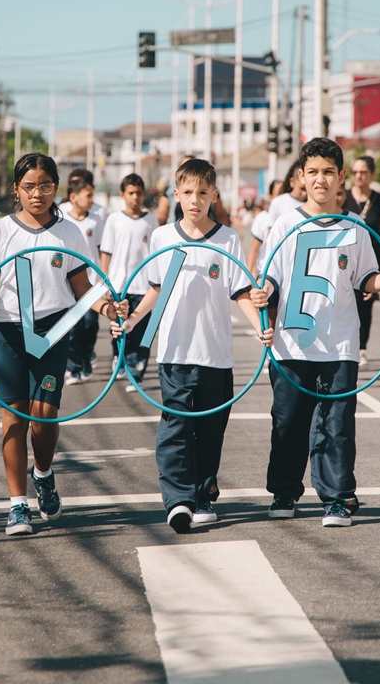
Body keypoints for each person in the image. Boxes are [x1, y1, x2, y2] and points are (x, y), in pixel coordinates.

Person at [113, 158, 272, 533]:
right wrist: (132, 321)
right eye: (187, 193)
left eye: (203, 193)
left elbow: (241, 292)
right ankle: (178, 499)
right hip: (175, 352)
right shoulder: (163, 238)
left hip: (216, 352)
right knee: (177, 424)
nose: (195, 200)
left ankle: (203, 491)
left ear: (215, 195)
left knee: (212, 428)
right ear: (176, 195)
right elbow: (155, 289)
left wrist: (261, 329)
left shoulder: (228, 238)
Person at [0, 153, 122, 537]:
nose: (38, 194)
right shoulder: (1, 232)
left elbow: (82, 288)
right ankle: (17, 505)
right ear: (16, 189)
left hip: (55, 329)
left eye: (46, 186)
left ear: (57, 188)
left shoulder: (69, 232)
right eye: (29, 186)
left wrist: (107, 307)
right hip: (9, 330)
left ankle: (43, 472)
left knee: (45, 416)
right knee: (14, 417)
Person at [259, 139, 380, 527]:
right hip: (292, 342)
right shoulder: (285, 224)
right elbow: (271, 277)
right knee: (288, 420)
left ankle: (337, 496)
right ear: (300, 178)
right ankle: (285, 490)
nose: (320, 179)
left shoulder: (356, 227)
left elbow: (365, 279)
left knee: (337, 423)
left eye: (328, 171)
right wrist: (265, 295)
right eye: (313, 172)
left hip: (340, 341)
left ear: (341, 176)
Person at [99, 173, 159, 393]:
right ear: (122, 195)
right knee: (120, 329)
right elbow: (106, 251)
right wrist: (105, 282)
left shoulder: (151, 220)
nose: (135, 197)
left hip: (144, 288)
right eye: (131, 193)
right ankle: (119, 357)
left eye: (139, 193)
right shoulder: (114, 219)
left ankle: (137, 374)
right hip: (119, 286)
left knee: (143, 333)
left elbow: (156, 253)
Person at [347, 155, 380, 366]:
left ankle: (361, 347)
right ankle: (346, 343)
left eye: (364, 172)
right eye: (355, 172)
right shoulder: (343, 197)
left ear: (372, 174)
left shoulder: (379, 200)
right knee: (346, 299)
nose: (359, 176)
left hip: (372, 256)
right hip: (348, 256)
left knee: (366, 303)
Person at [62, 177, 104, 384]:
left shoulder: (96, 221)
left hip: (93, 283)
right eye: (87, 196)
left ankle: (87, 358)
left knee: (90, 325)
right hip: (69, 284)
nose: (91, 200)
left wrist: (104, 279)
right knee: (72, 327)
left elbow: (101, 250)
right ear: (73, 197)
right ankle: (74, 368)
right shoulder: (62, 220)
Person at [248, 161, 306, 274]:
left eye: (306, 190)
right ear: (292, 182)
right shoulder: (279, 202)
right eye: (302, 189)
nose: (304, 194)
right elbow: (270, 236)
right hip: (278, 262)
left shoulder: (312, 205)